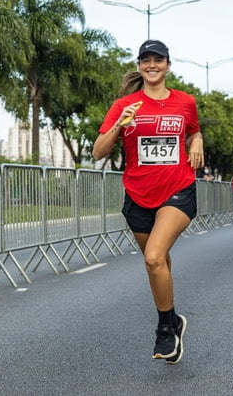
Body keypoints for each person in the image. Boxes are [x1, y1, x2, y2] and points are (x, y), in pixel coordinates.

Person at [92, 40, 203, 364]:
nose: (152, 65)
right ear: (140, 66)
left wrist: (197, 143)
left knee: (154, 258)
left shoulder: (185, 102)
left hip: (177, 190)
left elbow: (193, 130)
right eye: (146, 60)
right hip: (138, 195)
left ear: (168, 65)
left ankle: (164, 328)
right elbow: (99, 151)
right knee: (161, 261)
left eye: (158, 60)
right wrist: (119, 124)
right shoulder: (125, 104)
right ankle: (175, 320)